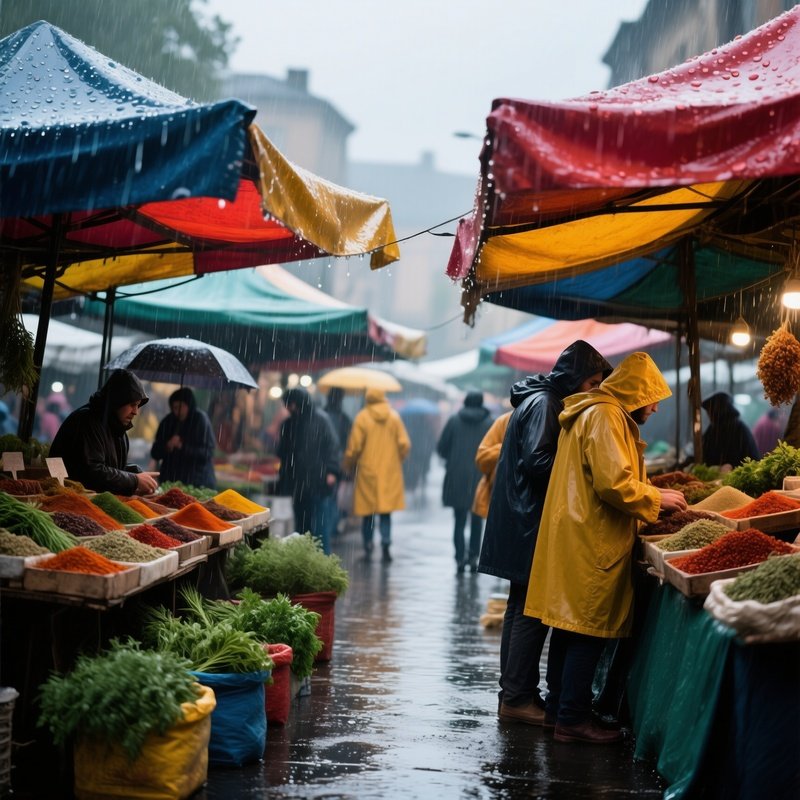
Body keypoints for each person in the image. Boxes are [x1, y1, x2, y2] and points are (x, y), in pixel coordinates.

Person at [524, 352, 687, 744]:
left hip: (576, 532)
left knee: (569, 626)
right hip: (592, 536)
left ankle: (559, 709)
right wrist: (655, 500)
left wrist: (651, 491)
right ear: (637, 393)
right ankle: (573, 720)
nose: (656, 406)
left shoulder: (592, 411)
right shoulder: (607, 416)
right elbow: (613, 482)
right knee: (588, 631)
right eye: (653, 397)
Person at [478, 340, 612, 726]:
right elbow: (538, 461)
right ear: (573, 378)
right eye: (591, 382)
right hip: (527, 522)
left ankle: (515, 693)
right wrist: (583, 466)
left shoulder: (541, 399)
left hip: (521, 519)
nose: (594, 391)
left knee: (521, 608)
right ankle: (518, 697)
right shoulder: (546, 404)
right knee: (528, 612)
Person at [49, 369, 159, 495]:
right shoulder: (87, 421)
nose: (136, 411)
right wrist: (134, 480)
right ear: (118, 400)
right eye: (132, 404)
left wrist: (136, 473)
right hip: (67, 497)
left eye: (138, 405)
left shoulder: (117, 427)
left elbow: (113, 466)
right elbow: (92, 472)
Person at [343, 387, 410, 562]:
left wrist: (348, 465)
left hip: (367, 471)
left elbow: (354, 447)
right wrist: (396, 460)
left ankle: (368, 545)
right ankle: (386, 543)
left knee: (368, 512)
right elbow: (404, 444)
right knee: (386, 511)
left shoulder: (362, 418)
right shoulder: (394, 417)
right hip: (389, 471)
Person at [275, 387, 341, 554]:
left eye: (292, 404)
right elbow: (283, 452)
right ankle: (303, 558)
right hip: (297, 484)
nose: (289, 408)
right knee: (301, 526)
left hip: (318, 482)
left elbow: (332, 447)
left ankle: (322, 562)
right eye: (287, 404)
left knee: (319, 527)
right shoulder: (289, 424)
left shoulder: (321, 420)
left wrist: (331, 471)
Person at [437, 391, 493, 574]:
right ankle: (473, 555)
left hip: (456, 477)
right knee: (477, 519)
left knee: (459, 520)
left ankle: (459, 557)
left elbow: (441, 448)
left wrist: (453, 458)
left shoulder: (454, 421)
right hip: (480, 477)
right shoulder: (489, 423)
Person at [150, 387, 217, 489]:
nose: (178, 411)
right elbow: (155, 452)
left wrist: (182, 446)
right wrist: (168, 445)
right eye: (175, 407)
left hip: (197, 483)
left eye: (181, 406)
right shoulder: (168, 422)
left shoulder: (200, 421)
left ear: (189, 405)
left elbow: (207, 453)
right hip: (170, 481)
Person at [471, 409, 512, 521]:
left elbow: (481, 459)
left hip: (496, 489)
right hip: (502, 493)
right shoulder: (501, 420)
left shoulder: (502, 420)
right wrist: (505, 447)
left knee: (460, 519)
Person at [700, 391, 759, 467]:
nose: (708, 416)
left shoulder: (738, 429)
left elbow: (751, 460)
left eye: (710, 412)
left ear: (718, 410)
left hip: (737, 477)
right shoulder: (713, 428)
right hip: (719, 478)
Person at [324, 387, 353, 534]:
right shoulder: (345, 419)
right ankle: (332, 527)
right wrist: (347, 465)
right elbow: (350, 443)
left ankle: (326, 527)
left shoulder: (322, 415)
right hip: (338, 463)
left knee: (326, 497)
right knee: (334, 496)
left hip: (322, 463)